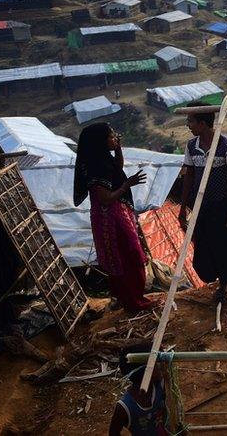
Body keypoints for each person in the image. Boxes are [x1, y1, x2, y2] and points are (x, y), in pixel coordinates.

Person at [179, 102, 227, 304]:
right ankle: (218, 284)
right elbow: (188, 176)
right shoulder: (192, 146)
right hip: (200, 207)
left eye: (191, 121)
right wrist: (182, 208)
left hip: (222, 207)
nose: (188, 125)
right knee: (205, 248)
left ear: (203, 124)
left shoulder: (226, 147)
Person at [73, 123, 155, 314]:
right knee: (126, 257)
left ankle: (135, 299)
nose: (115, 139)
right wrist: (127, 184)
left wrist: (118, 149)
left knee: (130, 255)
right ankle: (133, 302)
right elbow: (105, 198)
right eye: (111, 137)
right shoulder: (96, 166)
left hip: (117, 215)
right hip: (110, 219)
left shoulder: (103, 159)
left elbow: (116, 168)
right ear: (100, 142)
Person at [108, 343, 171, 436]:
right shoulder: (125, 408)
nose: (159, 366)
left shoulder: (160, 386)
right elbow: (113, 433)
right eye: (155, 364)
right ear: (146, 372)